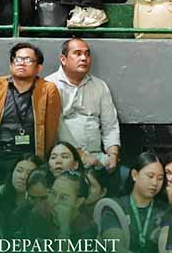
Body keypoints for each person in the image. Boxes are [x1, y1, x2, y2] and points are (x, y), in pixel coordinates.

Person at [0, 42, 62, 176]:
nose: (21, 63)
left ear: (39, 67)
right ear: (11, 64)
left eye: (28, 60)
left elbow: (50, 131)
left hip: (28, 158)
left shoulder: (48, 90)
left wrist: (41, 162)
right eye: (18, 59)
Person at [45, 38, 121, 172]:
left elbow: (110, 124)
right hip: (65, 159)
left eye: (87, 54)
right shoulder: (49, 85)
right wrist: (81, 155)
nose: (84, 58)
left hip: (98, 158)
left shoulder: (99, 85)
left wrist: (113, 154)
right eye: (78, 53)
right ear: (63, 59)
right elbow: (57, 125)